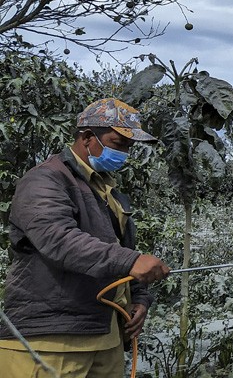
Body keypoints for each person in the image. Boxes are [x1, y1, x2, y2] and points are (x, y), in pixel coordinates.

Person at [0, 98, 170, 377]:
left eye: (129, 146)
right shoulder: (45, 179)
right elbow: (58, 239)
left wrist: (139, 299)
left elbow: (120, 248)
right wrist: (132, 261)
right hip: (51, 339)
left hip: (105, 338)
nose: (125, 153)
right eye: (119, 143)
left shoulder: (107, 190)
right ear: (88, 137)